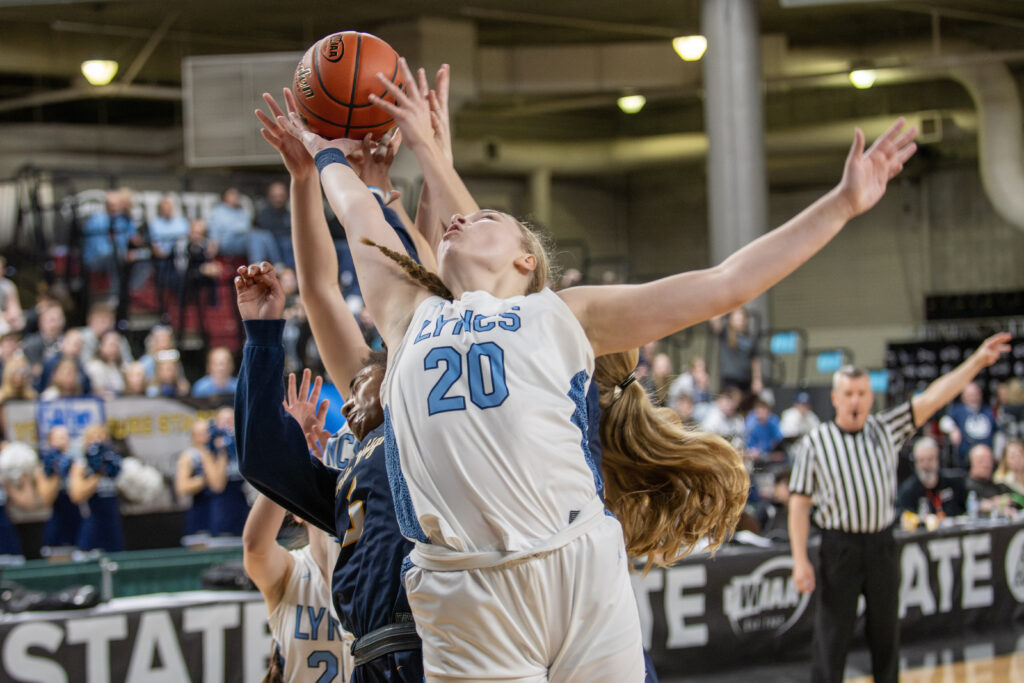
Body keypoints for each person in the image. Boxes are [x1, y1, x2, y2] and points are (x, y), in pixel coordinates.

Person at [276, 53, 918, 678]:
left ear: (527, 262)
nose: (462, 217)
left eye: (486, 217)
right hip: (462, 587)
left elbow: (728, 282)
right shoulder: (408, 316)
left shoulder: (563, 317)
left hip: (575, 561)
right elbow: (357, 210)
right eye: (462, 216)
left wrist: (841, 204)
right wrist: (324, 149)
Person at [788, 334, 1010, 683]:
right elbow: (799, 505)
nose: (855, 400)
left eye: (861, 393)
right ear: (834, 398)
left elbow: (936, 395)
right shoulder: (816, 442)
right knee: (831, 639)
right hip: (839, 547)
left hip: (881, 544)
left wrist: (978, 362)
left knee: (886, 637)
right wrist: (799, 558)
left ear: (871, 396)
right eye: (848, 394)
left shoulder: (886, 428)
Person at [243, 492, 346, 683]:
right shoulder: (292, 570)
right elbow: (254, 547)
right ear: (298, 513)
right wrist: (285, 469)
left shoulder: (369, 572)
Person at [69, 423, 125, 553]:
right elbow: (76, 496)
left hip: (113, 525)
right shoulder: (81, 465)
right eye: (93, 437)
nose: (98, 440)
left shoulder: (112, 463)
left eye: (101, 436)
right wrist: (97, 473)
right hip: (91, 525)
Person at [36, 425, 82, 555]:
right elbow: (46, 499)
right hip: (58, 522)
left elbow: (77, 496)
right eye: (58, 438)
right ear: (51, 441)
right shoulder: (46, 466)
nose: (62, 441)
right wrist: (56, 471)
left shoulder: (77, 463)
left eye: (65, 437)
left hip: (78, 521)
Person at [896, 436, 967, 518]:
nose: (926, 465)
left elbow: (968, 508)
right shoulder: (908, 490)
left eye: (930, 459)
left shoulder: (954, 482)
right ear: (915, 463)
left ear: (938, 459)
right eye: (921, 460)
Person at [206, 407, 249, 537]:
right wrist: (222, 450)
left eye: (230, 420)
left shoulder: (248, 444)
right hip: (224, 507)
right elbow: (217, 485)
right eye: (223, 421)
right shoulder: (210, 451)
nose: (227, 425)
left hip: (247, 504)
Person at [174, 419, 218, 544]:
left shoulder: (219, 452)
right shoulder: (189, 456)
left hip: (221, 511)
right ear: (193, 436)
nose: (206, 436)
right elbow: (181, 487)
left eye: (208, 432)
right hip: (201, 511)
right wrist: (205, 479)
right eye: (201, 433)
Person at [941, 382, 999, 470]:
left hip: (987, 456)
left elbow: (997, 430)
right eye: (970, 395)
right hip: (965, 458)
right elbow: (943, 422)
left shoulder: (988, 410)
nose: (974, 398)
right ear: (963, 397)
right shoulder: (958, 410)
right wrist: (953, 429)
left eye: (976, 394)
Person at [710, 307, 762, 397]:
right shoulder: (725, 334)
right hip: (730, 379)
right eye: (737, 318)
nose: (740, 321)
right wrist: (728, 308)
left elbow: (755, 360)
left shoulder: (749, 337)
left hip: (746, 379)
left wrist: (757, 380)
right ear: (731, 319)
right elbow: (713, 319)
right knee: (733, 400)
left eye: (742, 318)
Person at [963, 443, 1007, 514]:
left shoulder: (999, 485)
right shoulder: (963, 487)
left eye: (989, 460)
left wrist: (1007, 501)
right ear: (970, 462)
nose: (986, 465)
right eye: (981, 460)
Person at [994, 439, 1024, 509]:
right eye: (1013, 456)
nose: (1017, 459)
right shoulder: (1001, 482)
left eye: (1020, 455)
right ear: (1005, 459)